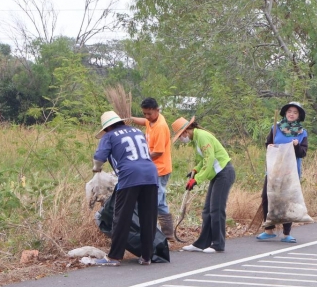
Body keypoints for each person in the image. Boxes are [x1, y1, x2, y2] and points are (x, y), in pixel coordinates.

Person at [91, 111, 159, 266]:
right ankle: (147, 257)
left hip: (130, 175)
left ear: (107, 128)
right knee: (148, 217)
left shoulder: (109, 136)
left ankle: (114, 257)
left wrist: (96, 169)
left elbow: (99, 158)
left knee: (121, 217)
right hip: (150, 173)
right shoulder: (137, 131)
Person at [174, 117, 236, 253]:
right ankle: (202, 243)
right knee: (207, 210)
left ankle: (218, 244)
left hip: (224, 172)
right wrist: (195, 170)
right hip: (217, 174)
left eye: (180, 136)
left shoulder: (202, 136)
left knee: (216, 209)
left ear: (185, 131)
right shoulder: (196, 139)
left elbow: (210, 159)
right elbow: (202, 160)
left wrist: (197, 180)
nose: (180, 139)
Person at [257, 102, 309, 243]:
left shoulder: (302, 133)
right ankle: (268, 230)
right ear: (285, 113)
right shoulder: (275, 128)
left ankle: (286, 233)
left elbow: (302, 153)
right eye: (289, 111)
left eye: (295, 112)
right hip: (274, 170)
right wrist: (271, 146)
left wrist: (296, 146)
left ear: (299, 116)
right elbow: (268, 145)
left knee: (287, 201)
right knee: (267, 197)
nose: (291, 114)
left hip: (290, 172)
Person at [128, 98, 174, 240]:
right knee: (160, 202)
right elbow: (144, 121)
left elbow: (158, 152)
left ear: (157, 110)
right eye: (145, 113)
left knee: (153, 201)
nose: (147, 116)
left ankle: (155, 235)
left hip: (160, 169)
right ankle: (168, 234)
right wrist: (130, 119)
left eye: (149, 113)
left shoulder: (160, 127)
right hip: (154, 168)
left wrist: (141, 158)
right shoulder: (152, 120)